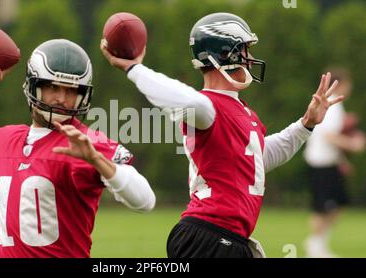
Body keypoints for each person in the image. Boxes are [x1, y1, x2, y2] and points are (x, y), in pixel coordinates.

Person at [101, 12, 343, 258]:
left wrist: (306, 124)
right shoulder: (206, 107)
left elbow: (258, 159)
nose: (250, 59)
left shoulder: (243, 111)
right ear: (225, 55)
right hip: (209, 235)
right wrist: (135, 69)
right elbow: (186, 100)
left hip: (228, 238)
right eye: (244, 50)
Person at [0, 39, 156, 258]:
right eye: (52, 87)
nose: (61, 99)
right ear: (33, 86)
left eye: (71, 90)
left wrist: (97, 160)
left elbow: (145, 201)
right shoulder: (3, 140)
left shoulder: (86, 143)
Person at [303, 67, 365, 258]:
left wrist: (342, 159)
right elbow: (328, 135)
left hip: (330, 162)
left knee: (339, 203)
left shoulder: (336, 106)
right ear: (341, 84)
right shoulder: (333, 105)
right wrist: (352, 144)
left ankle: (318, 243)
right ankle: (315, 246)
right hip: (320, 163)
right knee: (322, 207)